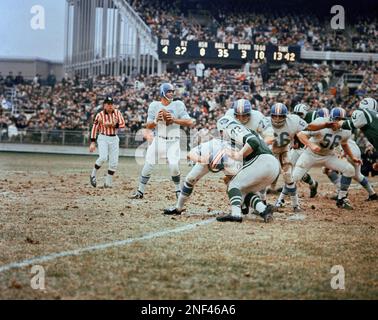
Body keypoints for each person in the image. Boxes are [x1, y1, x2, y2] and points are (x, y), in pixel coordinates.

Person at [130, 83, 194, 199]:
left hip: (173, 141)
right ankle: (140, 191)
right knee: (148, 165)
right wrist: (155, 121)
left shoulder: (178, 104)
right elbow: (148, 126)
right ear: (162, 92)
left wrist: (174, 120)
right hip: (158, 139)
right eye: (168, 91)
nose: (171, 93)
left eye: (172, 91)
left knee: (174, 167)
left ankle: (178, 190)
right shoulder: (154, 105)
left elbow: (189, 122)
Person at [215, 115, 280, 223]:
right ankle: (264, 210)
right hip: (272, 166)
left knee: (234, 185)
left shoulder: (232, 128)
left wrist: (238, 155)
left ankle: (236, 214)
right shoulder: (242, 131)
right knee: (244, 190)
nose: (221, 135)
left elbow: (253, 142)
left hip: (263, 161)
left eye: (221, 132)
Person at [293, 107, 361, 210]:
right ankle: (281, 200)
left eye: (341, 119)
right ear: (331, 118)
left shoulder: (346, 130)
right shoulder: (321, 122)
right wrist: (311, 145)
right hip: (311, 154)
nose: (338, 122)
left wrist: (352, 157)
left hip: (328, 156)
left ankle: (341, 199)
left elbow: (344, 144)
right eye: (336, 119)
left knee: (350, 169)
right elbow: (302, 134)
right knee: (295, 177)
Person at [163, 135, 241, 215]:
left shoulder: (231, 156)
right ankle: (178, 207)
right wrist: (202, 159)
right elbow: (190, 154)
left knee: (235, 183)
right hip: (205, 161)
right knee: (190, 179)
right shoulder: (207, 147)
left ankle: (241, 206)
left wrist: (229, 176)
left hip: (226, 161)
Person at [89, 96, 126, 188]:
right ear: (104, 105)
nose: (110, 106)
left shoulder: (117, 112)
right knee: (103, 157)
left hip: (114, 138)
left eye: (111, 104)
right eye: (108, 104)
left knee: (114, 163)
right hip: (103, 137)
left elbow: (122, 124)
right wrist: (93, 142)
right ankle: (93, 174)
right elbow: (94, 128)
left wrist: (113, 124)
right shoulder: (99, 115)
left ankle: (108, 183)